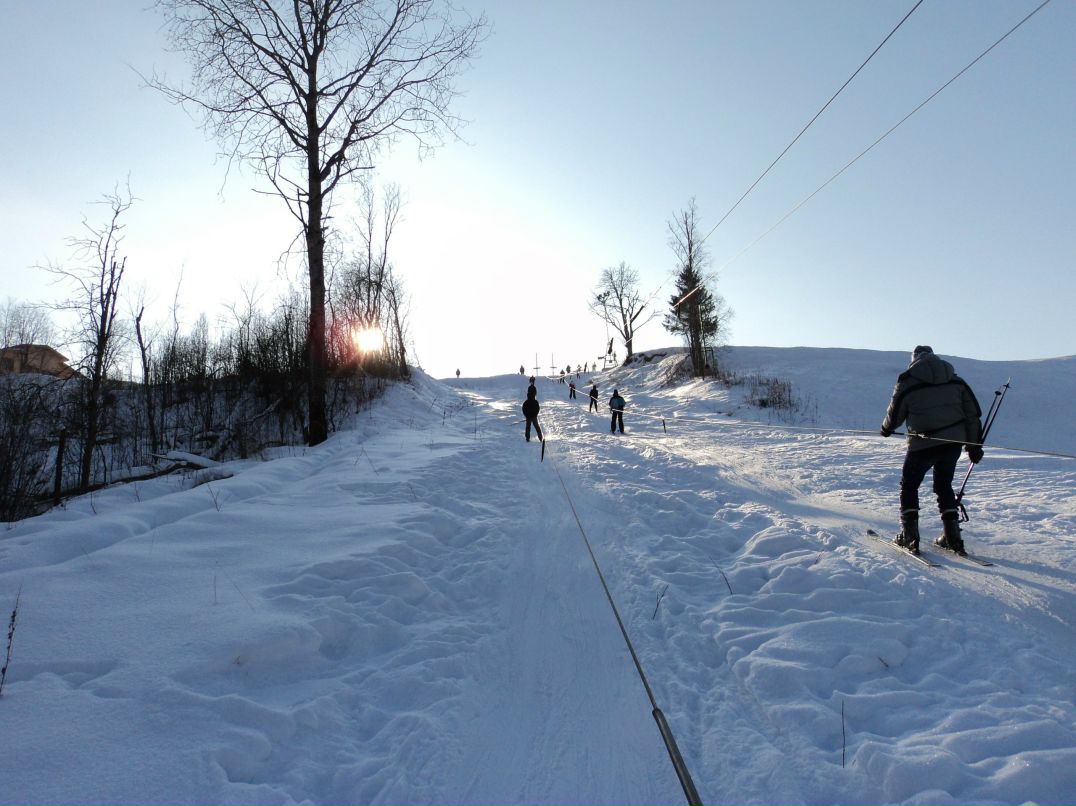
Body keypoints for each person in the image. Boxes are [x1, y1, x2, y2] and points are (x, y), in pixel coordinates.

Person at [880, 345, 983, 556]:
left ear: (914, 359)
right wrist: (974, 447)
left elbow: (896, 412)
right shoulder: (956, 380)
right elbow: (972, 416)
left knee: (909, 486)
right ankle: (953, 538)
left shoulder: (908, 381)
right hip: (951, 444)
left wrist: (886, 429)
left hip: (922, 444)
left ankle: (910, 536)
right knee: (943, 485)